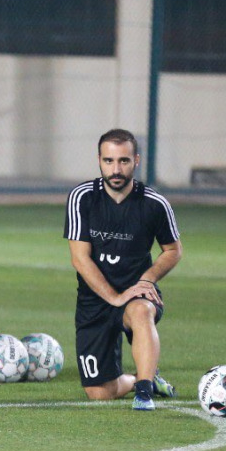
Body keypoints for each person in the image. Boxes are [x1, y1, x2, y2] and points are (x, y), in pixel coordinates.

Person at [64, 128, 180, 410]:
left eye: (124, 161)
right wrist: (114, 297)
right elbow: (80, 259)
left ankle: (144, 392)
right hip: (94, 300)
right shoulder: (82, 198)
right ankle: (143, 378)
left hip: (136, 293)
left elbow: (173, 250)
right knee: (99, 393)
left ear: (136, 161)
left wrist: (148, 280)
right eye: (109, 161)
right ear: (99, 160)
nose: (116, 169)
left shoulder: (154, 204)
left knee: (141, 310)